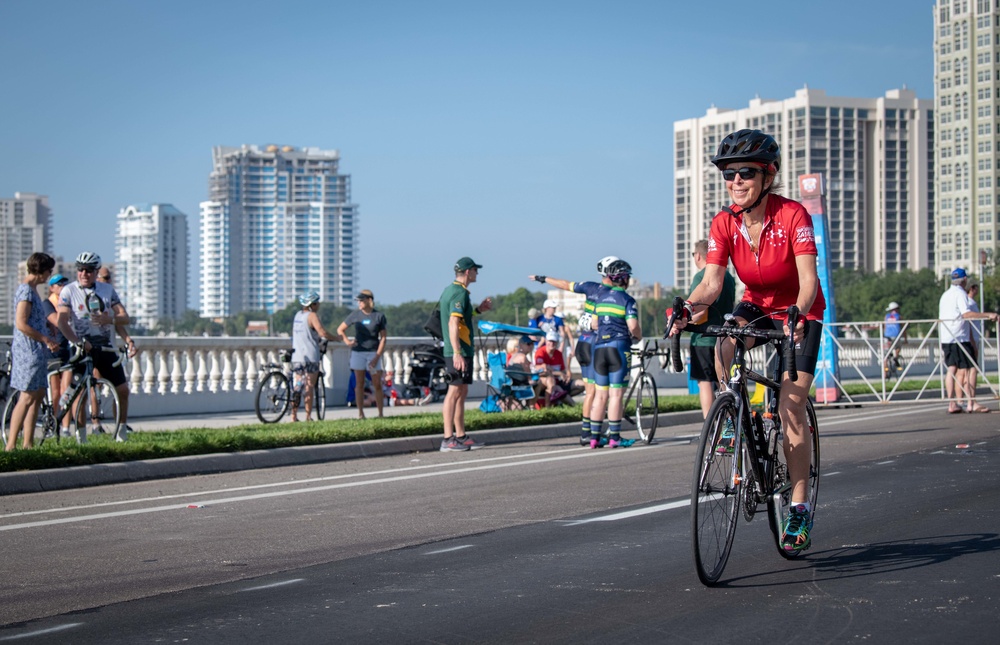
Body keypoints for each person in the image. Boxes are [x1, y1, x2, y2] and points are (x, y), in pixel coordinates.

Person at [669, 129, 825, 554]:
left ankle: (797, 506)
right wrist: (687, 308)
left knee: (790, 406)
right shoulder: (724, 222)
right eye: (728, 174)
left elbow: (809, 281)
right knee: (724, 345)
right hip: (755, 304)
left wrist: (798, 311)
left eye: (745, 173)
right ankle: (735, 415)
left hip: (798, 311)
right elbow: (713, 283)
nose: (735, 181)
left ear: (768, 176)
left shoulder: (793, 215)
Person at [529, 256, 616, 445]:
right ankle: (595, 433)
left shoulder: (591, 287)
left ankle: (586, 432)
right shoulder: (614, 295)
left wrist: (543, 279)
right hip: (595, 344)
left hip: (582, 344)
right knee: (600, 392)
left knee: (591, 392)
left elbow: (564, 284)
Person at [57, 252, 133, 443]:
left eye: (89, 270)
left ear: (96, 271)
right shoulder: (69, 291)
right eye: (80, 269)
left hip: (105, 347)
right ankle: (81, 437)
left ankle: (121, 433)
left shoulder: (107, 290)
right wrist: (77, 341)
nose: (84, 273)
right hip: (81, 347)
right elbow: (62, 321)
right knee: (80, 394)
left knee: (122, 389)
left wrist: (111, 320)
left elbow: (125, 317)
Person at [5, 253, 61, 451]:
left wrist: (47, 325)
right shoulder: (26, 292)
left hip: (37, 351)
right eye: (48, 271)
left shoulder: (32, 291)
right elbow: (21, 323)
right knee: (27, 396)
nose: (49, 275)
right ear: (40, 270)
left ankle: (28, 444)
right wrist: (45, 338)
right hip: (29, 351)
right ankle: (11, 445)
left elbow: (32, 319)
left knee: (37, 395)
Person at [438, 257, 493, 452]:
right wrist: (457, 353)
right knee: (454, 391)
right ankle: (447, 438)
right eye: (476, 270)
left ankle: (460, 435)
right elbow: (453, 322)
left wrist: (478, 309)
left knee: (461, 391)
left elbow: (461, 318)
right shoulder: (459, 292)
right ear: (468, 271)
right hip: (458, 350)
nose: (477, 273)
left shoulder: (452, 291)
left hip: (462, 349)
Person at [587, 259, 641, 448]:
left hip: (600, 347)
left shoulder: (600, 298)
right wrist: (637, 336)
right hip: (618, 347)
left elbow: (594, 324)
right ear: (624, 279)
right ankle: (615, 437)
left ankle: (594, 438)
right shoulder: (627, 300)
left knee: (600, 395)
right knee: (616, 394)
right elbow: (633, 327)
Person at [686, 240, 736, 418]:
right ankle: (731, 422)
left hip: (703, 339)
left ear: (698, 255)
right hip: (726, 337)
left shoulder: (701, 278)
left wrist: (684, 322)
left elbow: (698, 311)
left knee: (705, 383)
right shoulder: (728, 277)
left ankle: (710, 425)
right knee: (725, 381)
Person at [939, 268, 998, 413]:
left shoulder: (945, 295)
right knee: (971, 368)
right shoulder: (960, 294)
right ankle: (972, 402)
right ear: (964, 280)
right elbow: (967, 314)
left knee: (952, 368)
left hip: (946, 336)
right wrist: (988, 315)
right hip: (959, 336)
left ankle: (952, 403)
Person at [337, 289, 388, 419]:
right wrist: (347, 341)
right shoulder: (355, 315)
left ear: (369, 300)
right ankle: (361, 413)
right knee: (359, 384)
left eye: (361, 300)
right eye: (358, 301)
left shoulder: (379, 316)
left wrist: (377, 356)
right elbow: (340, 329)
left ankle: (380, 413)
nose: (359, 303)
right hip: (358, 352)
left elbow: (383, 338)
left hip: (373, 353)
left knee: (377, 383)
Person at [290, 291, 338, 422]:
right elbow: (322, 332)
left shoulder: (297, 315)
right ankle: (308, 416)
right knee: (309, 386)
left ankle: (293, 415)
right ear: (312, 304)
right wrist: (336, 338)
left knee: (298, 385)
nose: (319, 305)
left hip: (297, 356)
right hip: (311, 356)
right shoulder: (312, 316)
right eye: (317, 303)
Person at [41, 273, 74, 437]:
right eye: (59, 284)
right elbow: (57, 321)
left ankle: (66, 428)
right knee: (55, 393)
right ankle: (53, 426)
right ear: (52, 288)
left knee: (66, 391)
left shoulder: (68, 302)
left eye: (64, 284)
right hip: (52, 352)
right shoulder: (48, 304)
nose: (62, 287)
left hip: (67, 350)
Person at [532, 330, 572, 407]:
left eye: (554, 341)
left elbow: (563, 370)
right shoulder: (540, 352)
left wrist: (566, 375)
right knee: (551, 382)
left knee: (579, 385)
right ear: (546, 341)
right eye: (550, 341)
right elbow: (542, 371)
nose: (552, 343)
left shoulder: (558, 354)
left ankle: (575, 408)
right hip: (545, 381)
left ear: (557, 343)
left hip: (557, 381)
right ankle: (548, 407)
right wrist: (559, 373)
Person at [964, 282, 986, 412]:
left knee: (967, 370)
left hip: (970, 338)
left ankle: (967, 401)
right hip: (971, 339)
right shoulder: (970, 303)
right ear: (972, 288)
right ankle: (971, 401)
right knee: (972, 370)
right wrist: (972, 340)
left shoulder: (969, 302)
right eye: (976, 287)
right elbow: (969, 323)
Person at [883, 301, 906, 375]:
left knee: (885, 356)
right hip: (896, 336)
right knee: (898, 347)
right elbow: (903, 328)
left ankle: (885, 372)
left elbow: (885, 327)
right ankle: (896, 357)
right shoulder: (899, 317)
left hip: (887, 336)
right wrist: (905, 339)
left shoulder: (886, 316)